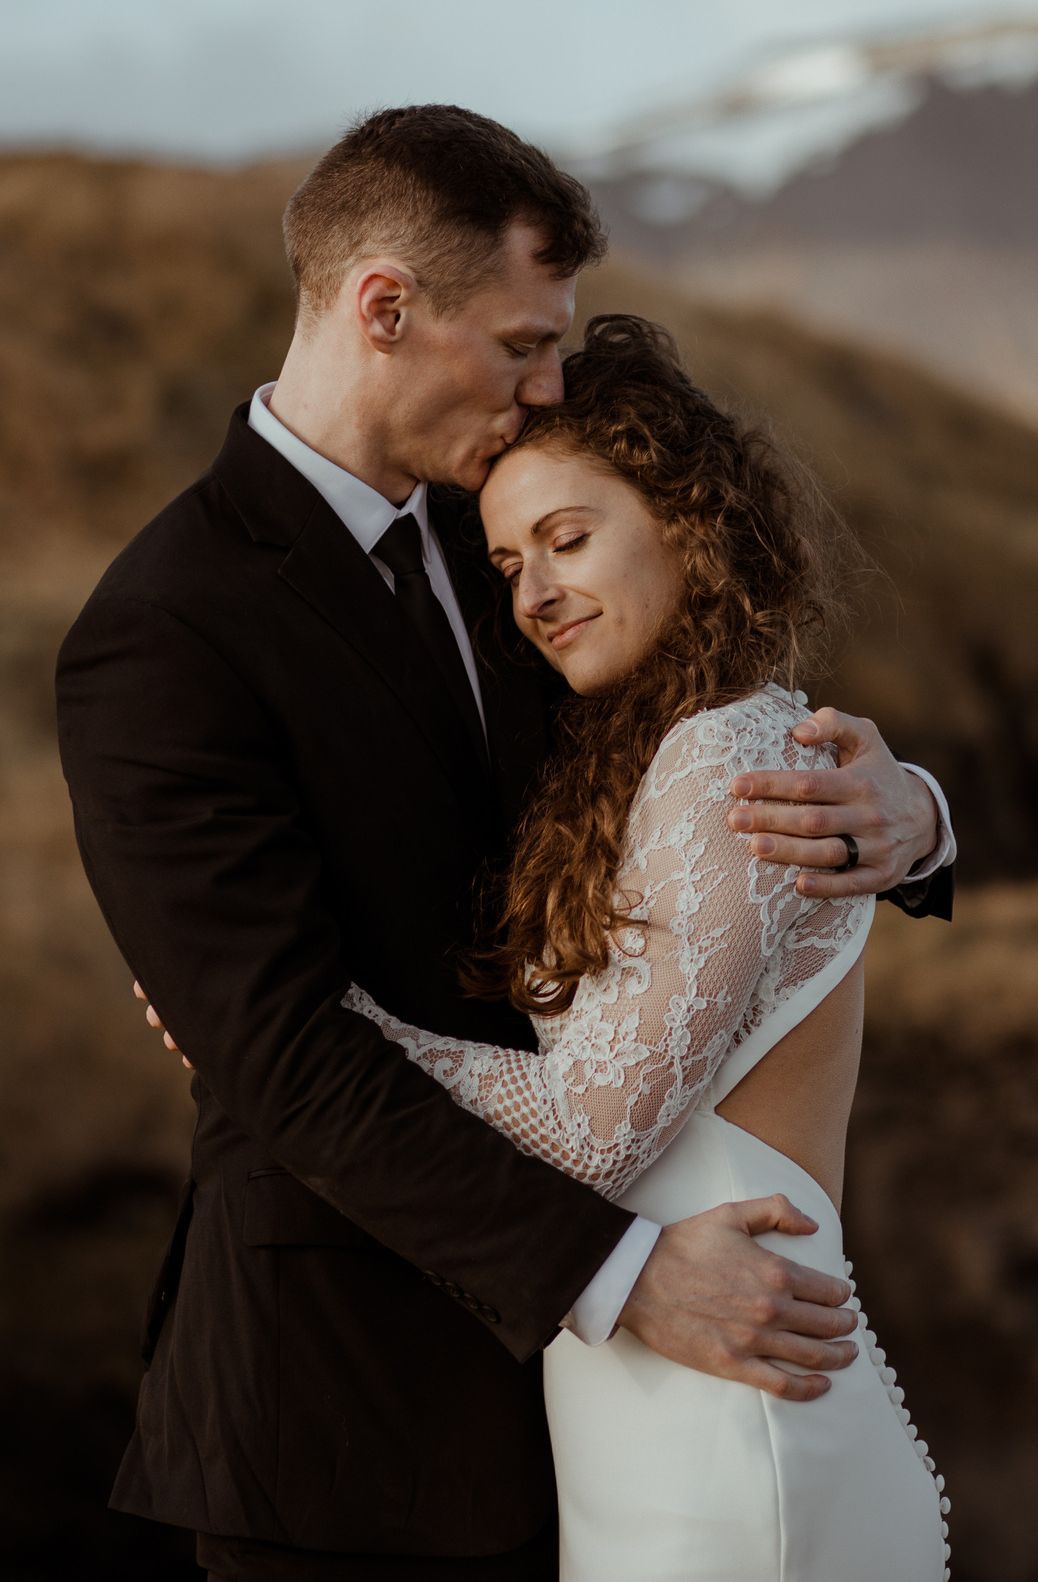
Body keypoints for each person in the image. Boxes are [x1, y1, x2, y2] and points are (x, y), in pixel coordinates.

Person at [56, 104, 955, 1581]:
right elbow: (282, 1052)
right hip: (345, 1419)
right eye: (527, 345)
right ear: (386, 309)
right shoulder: (164, 631)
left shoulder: (520, 540)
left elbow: (698, 741)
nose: (550, 389)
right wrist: (620, 1278)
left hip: (609, 1411)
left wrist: (912, 813)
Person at [350, 313, 948, 1579]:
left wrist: (321, 1029)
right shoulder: (628, 763)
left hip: (735, 1437)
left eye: (569, 539)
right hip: (646, 1411)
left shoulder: (728, 753)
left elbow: (591, 1130)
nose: (535, 594)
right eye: (509, 562)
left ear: (688, 520)